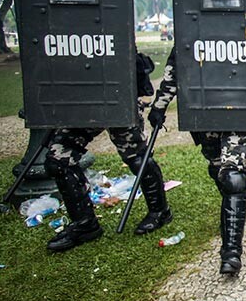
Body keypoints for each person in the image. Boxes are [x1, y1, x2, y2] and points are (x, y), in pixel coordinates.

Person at [44, 50, 170, 252]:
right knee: (58, 159)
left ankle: (159, 211)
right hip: (83, 102)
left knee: (137, 158)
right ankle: (85, 224)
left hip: (117, 98)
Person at [149, 47, 246, 274]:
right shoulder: (190, 31)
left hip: (236, 111)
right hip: (203, 114)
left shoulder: (244, 28)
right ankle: (232, 215)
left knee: (233, 178)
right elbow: (174, 70)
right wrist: (160, 106)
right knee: (218, 169)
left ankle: (231, 253)